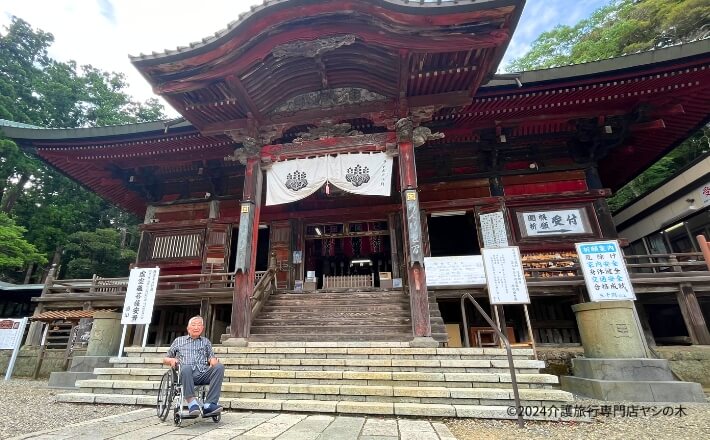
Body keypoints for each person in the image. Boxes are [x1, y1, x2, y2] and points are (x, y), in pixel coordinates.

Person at [163, 315, 224, 417]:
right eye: (194, 325)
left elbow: (211, 358)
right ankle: (192, 403)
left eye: (199, 325)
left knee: (219, 367)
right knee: (186, 367)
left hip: (203, 373)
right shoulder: (179, 341)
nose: (196, 327)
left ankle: (209, 404)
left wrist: (213, 360)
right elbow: (165, 359)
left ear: (203, 328)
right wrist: (171, 359)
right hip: (185, 374)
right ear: (188, 328)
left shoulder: (206, 342)